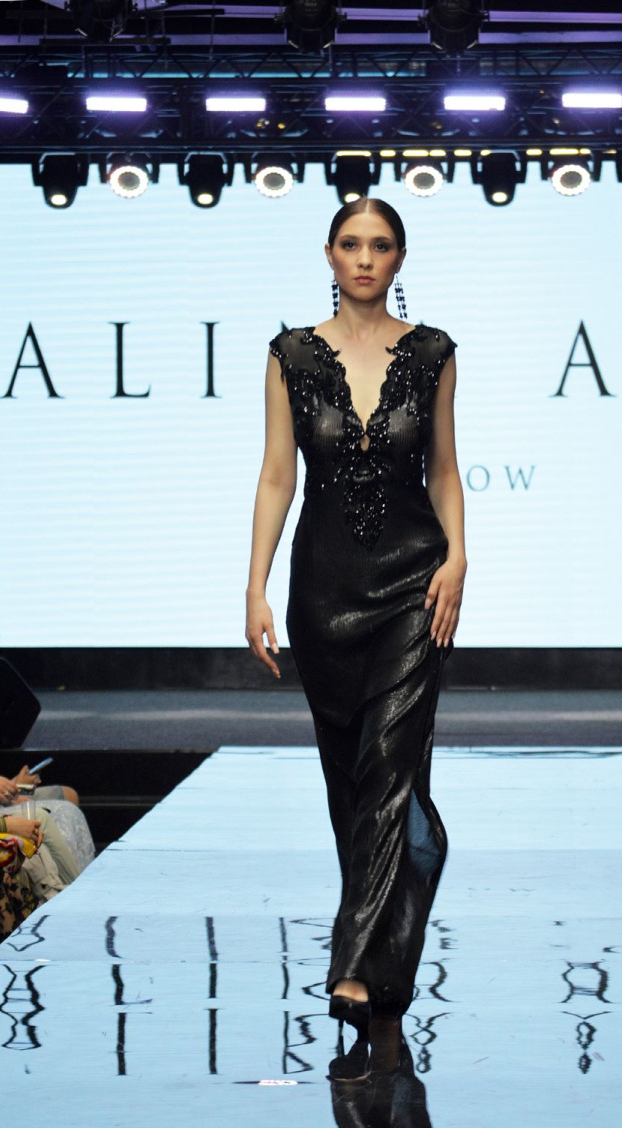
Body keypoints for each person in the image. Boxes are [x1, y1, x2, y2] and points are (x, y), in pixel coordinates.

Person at [245, 198, 466, 1064]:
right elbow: (276, 476)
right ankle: (388, 962)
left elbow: (444, 468)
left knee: (385, 770)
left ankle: (353, 968)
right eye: (351, 244)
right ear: (330, 254)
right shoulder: (291, 356)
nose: (365, 258)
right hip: (323, 591)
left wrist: (458, 559)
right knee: (355, 787)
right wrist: (255, 587)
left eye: (380, 245)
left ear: (400, 257)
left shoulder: (433, 353)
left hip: (415, 584)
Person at [0, 642, 95, 871]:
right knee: (50, 816)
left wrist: (9, 785)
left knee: (66, 803)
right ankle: (71, 885)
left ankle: (74, 882)